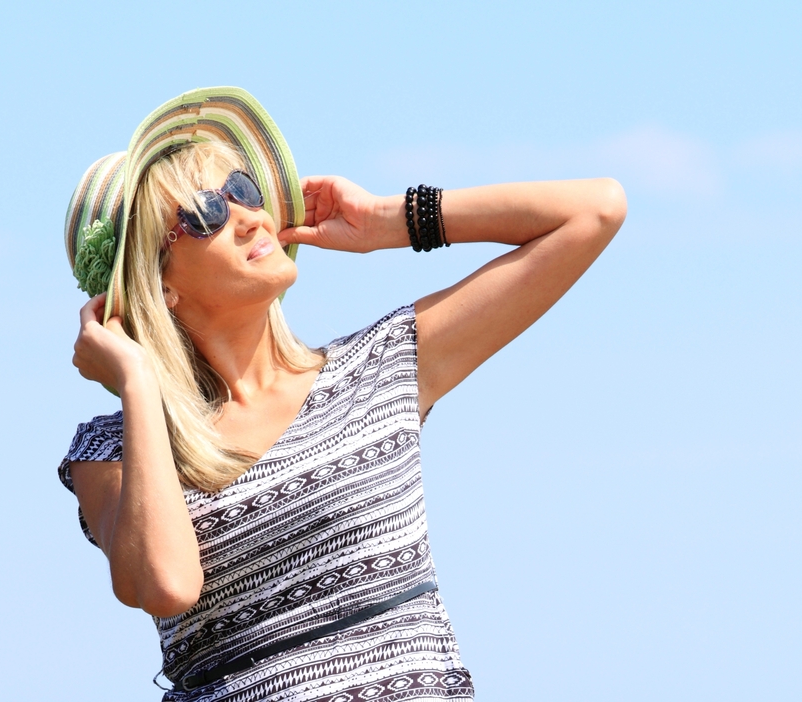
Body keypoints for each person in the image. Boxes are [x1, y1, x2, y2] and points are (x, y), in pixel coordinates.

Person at [59, 87, 626, 701]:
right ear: (156, 282)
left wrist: (394, 221)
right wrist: (140, 383)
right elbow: (165, 585)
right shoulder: (113, 448)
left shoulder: (378, 367)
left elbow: (596, 210)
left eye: (243, 190)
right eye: (204, 213)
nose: (249, 216)